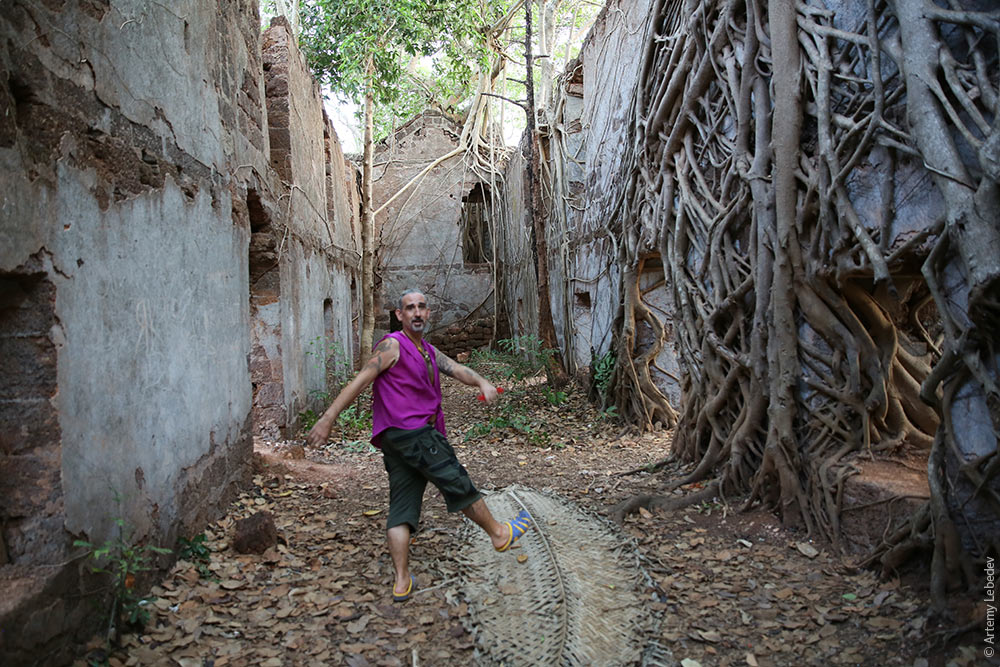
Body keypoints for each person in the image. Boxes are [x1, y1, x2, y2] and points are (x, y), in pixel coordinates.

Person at [306, 289, 531, 602]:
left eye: (421, 307)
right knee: (456, 480)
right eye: (409, 308)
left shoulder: (426, 350)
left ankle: (401, 581)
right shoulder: (392, 345)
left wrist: (481, 381)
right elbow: (362, 379)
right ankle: (498, 533)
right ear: (400, 315)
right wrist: (328, 417)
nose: (416, 312)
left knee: (402, 506)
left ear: (428, 313)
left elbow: (455, 368)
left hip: (395, 441)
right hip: (415, 435)